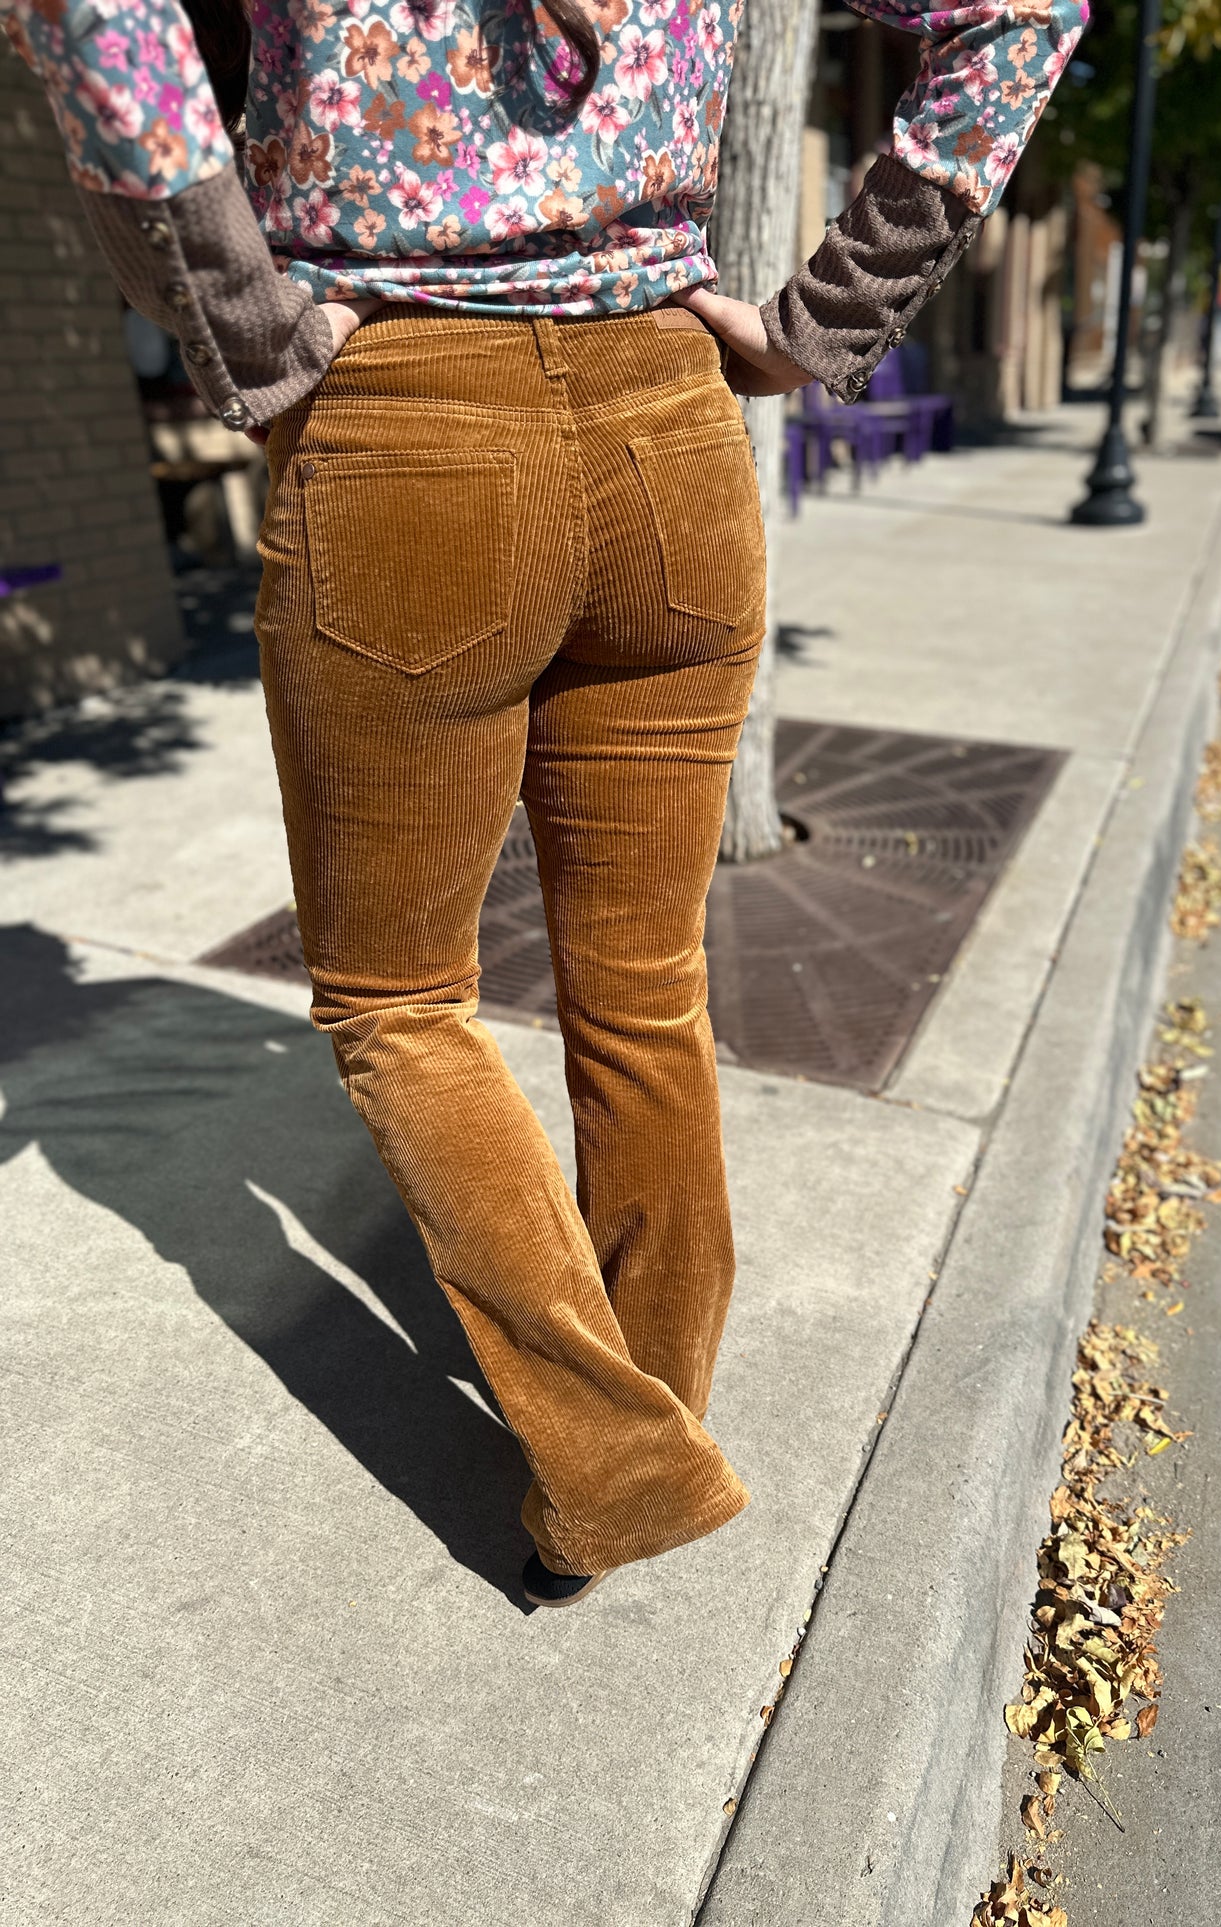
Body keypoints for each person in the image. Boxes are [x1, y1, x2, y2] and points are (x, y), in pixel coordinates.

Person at [3, 0, 1086, 1607]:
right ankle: (649, 1428)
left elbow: (97, 20)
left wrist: (240, 319)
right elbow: (1018, 13)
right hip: (671, 426)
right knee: (643, 985)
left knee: (393, 1000)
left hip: (400, 421)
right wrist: (817, 321)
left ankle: (620, 1465)